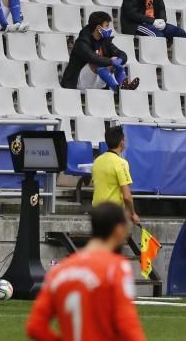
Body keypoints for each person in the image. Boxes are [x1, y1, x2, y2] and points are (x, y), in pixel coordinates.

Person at [26, 202, 146, 341]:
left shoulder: (59, 271)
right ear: (118, 230)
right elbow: (128, 327)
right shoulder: (115, 268)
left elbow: (35, 327)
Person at [61, 11, 139, 92]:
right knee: (97, 62)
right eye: (107, 26)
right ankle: (115, 88)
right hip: (78, 81)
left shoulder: (105, 40)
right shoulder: (82, 42)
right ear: (98, 28)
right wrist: (111, 61)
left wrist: (119, 60)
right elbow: (92, 58)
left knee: (116, 59)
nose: (109, 29)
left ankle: (124, 86)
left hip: (97, 80)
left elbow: (122, 54)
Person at [91, 126, 140, 226]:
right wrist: (133, 213)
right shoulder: (121, 163)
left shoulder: (96, 161)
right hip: (112, 214)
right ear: (122, 142)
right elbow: (127, 196)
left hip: (96, 213)